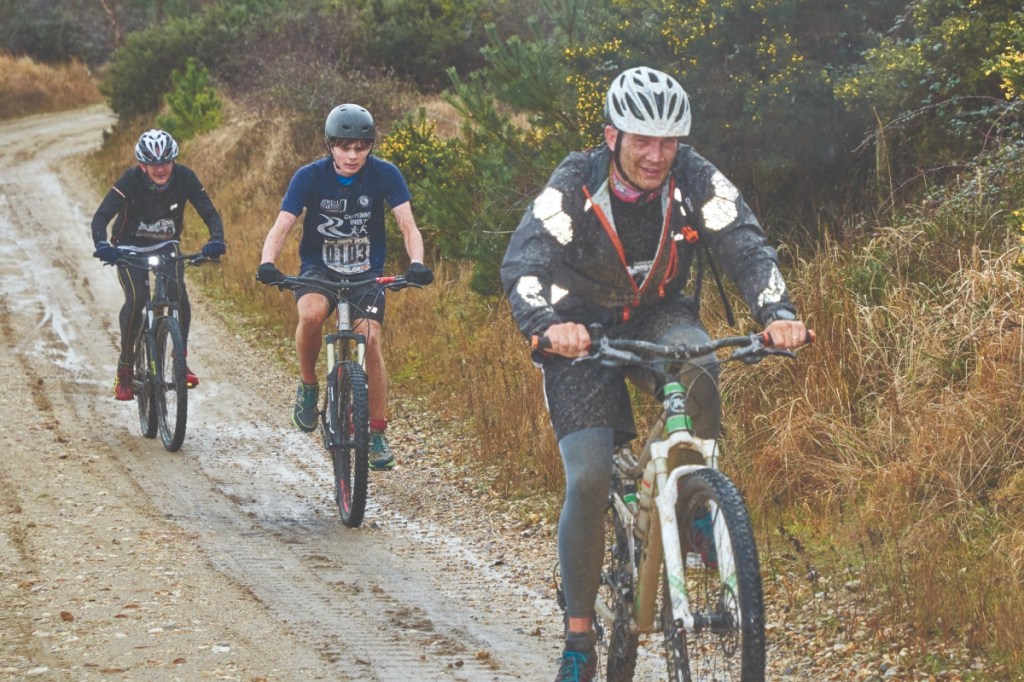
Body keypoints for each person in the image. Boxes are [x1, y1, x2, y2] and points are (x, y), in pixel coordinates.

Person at [500, 66, 810, 681]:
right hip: (577, 330)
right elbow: (526, 256)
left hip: (658, 315)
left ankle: (692, 501)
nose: (655, 154)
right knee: (588, 476)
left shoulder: (693, 177)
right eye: (642, 139)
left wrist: (777, 312)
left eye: (668, 141)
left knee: (699, 362)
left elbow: (743, 240)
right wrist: (543, 322)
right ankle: (580, 636)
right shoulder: (574, 184)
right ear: (613, 136)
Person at [255, 103, 434, 470]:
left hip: (367, 270)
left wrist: (416, 263)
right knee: (312, 315)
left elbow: (408, 226)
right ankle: (308, 388)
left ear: (370, 146)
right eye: (344, 147)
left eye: (361, 147)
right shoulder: (309, 177)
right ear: (330, 146)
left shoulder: (386, 174)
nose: (353, 155)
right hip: (319, 268)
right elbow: (282, 225)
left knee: (370, 339)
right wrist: (267, 263)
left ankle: (378, 432)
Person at [91, 129, 227, 401]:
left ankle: (180, 359)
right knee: (138, 298)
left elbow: (209, 212)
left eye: (165, 162)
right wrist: (103, 246)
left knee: (178, 293)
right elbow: (101, 217)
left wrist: (216, 240)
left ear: (174, 160)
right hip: (128, 248)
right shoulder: (130, 180)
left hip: (166, 245)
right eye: (153, 164)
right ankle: (126, 366)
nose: (161, 168)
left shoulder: (185, 177)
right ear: (143, 165)